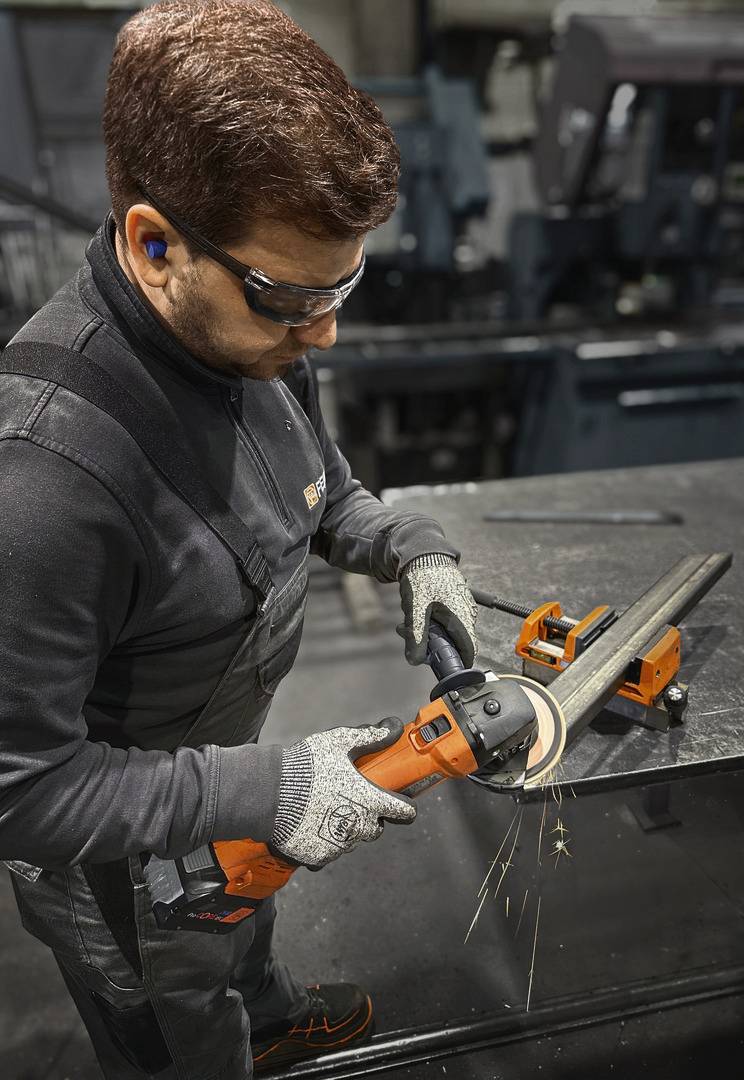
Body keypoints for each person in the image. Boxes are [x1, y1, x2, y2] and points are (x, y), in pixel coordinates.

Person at [0, 2, 478, 1076]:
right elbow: (19, 789)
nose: (326, 333)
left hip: (228, 782)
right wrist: (272, 786)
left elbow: (326, 493)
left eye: (341, 287)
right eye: (293, 298)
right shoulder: (44, 481)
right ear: (155, 244)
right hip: (122, 867)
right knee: (177, 1025)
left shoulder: (252, 342)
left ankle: (266, 1015)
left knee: (237, 937)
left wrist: (412, 545)